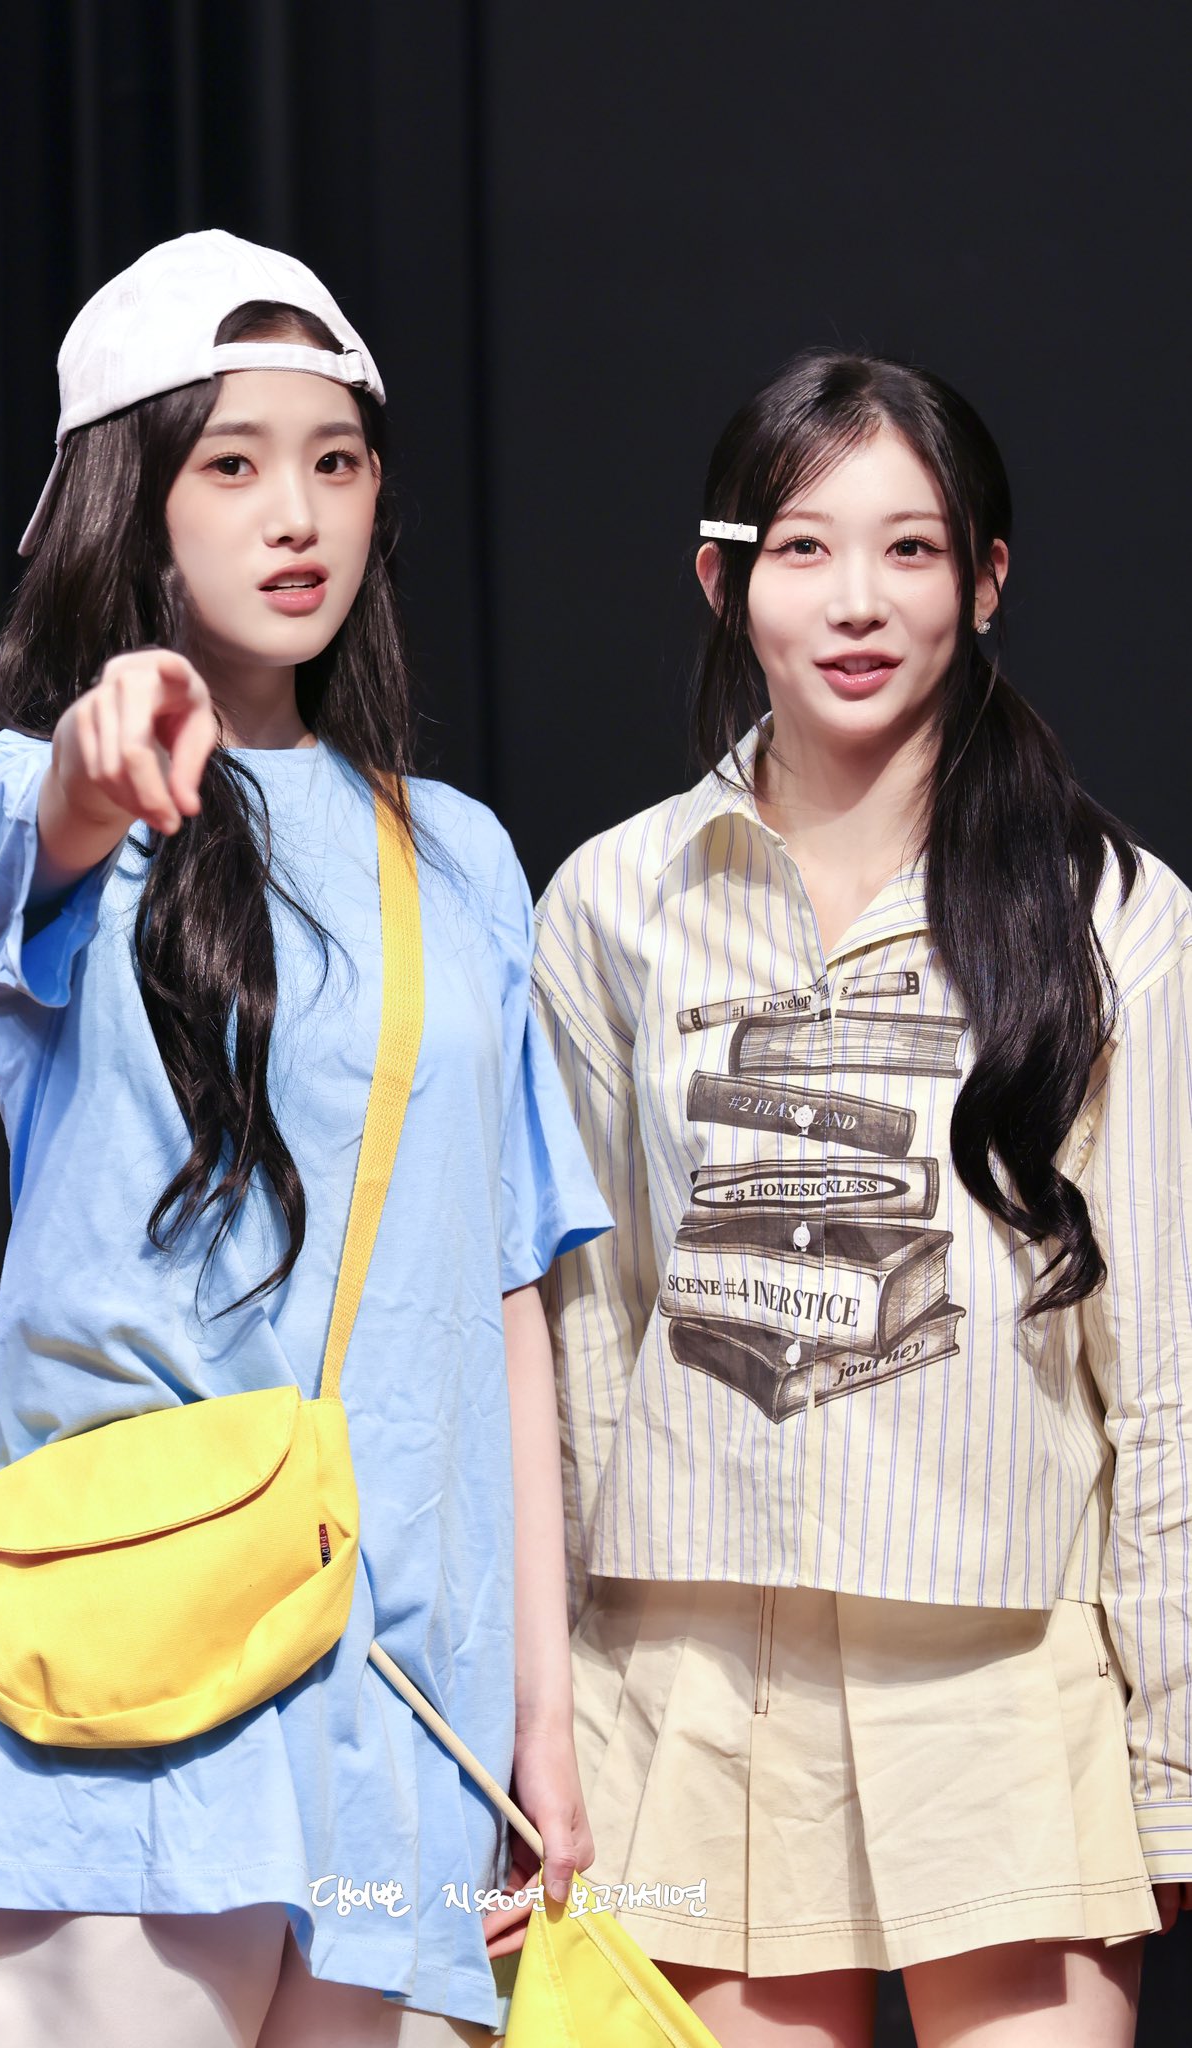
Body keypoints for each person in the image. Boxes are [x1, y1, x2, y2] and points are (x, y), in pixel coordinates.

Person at [0, 229, 607, 2048]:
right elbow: (47, 809)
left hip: (406, 1705)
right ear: (132, 506)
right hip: (139, 1681)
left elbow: (502, 1295)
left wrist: (545, 1713)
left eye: (335, 461)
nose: (297, 513)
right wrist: (101, 741)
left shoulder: (459, 855)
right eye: (233, 463)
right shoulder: (31, 793)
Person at [530, 351, 1192, 2048]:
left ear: (985, 580)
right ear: (722, 579)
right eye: (803, 548)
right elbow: (587, 1347)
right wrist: (558, 1719)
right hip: (688, 1690)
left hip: (1001, 1691)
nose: (855, 600)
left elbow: (1165, 1378)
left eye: (910, 549)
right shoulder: (611, 902)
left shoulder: (1113, 914)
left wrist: (1170, 1765)